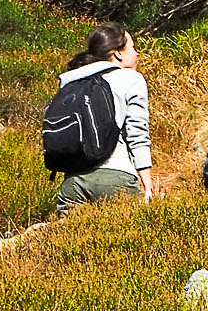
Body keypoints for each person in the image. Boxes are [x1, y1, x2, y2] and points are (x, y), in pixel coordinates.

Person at [54, 23, 155, 212]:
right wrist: (147, 185)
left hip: (72, 182)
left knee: (70, 239)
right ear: (118, 53)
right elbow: (137, 134)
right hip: (116, 178)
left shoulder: (70, 80)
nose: (137, 54)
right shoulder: (131, 78)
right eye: (133, 47)